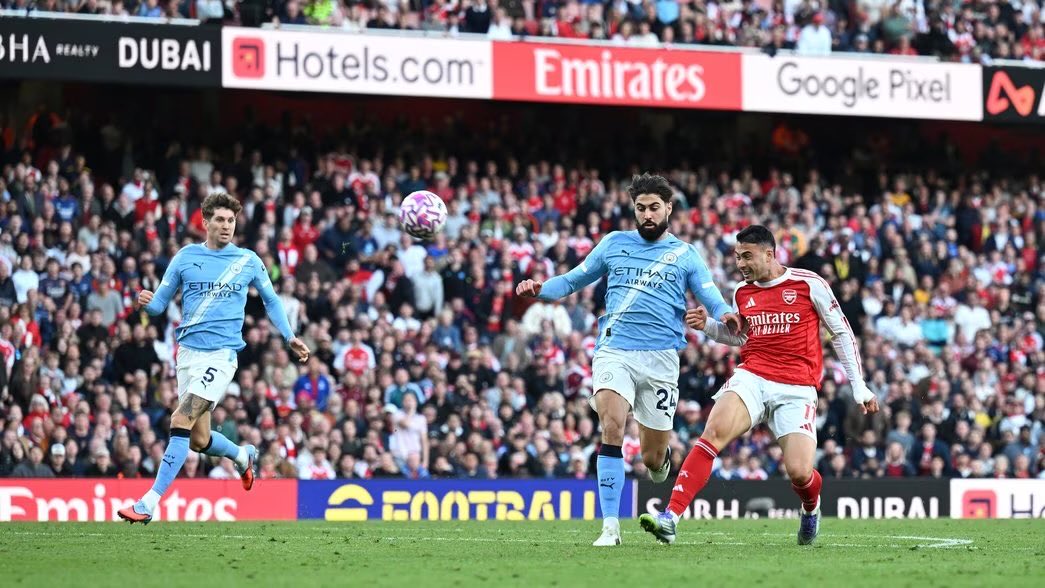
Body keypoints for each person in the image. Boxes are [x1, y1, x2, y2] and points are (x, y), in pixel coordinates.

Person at [516, 173, 739, 547]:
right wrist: (540, 289)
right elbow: (571, 280)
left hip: (661, 358)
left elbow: (710, 294)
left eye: (654, 208)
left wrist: (725, 313)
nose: (647, 215)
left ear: (669, 209)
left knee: (652, 459)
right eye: (641, 208)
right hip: (614, 350)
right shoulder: (613, 243)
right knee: (612, 426)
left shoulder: (685, 254)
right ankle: (610, 527)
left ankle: (661, 460)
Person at [639, 225, 878, 546]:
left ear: (769, 254)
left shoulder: (809, 283)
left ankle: (811, 507)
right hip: (753, 376)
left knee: (799, 472)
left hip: (796, 386)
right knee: (712, 433)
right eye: (738, 256)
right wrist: (708, 326)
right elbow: (741, 337)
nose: (740, 263)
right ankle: (670, 517)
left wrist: (858, 385)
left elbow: (841, 333)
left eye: (747, 256)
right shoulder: (742, 292)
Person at [118, 192, 310, 525]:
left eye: (231, 220)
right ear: (205, 222)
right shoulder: (185, 257)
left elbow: (271, 300)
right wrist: (145, 303)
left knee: (180, 419)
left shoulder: (248, 260)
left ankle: (149, 503)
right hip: (187, 355)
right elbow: (160, 304)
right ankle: (242, 455)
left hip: (221, 357)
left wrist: (289, 335)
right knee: (199, 440)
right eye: (219, 219)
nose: (226, 225)